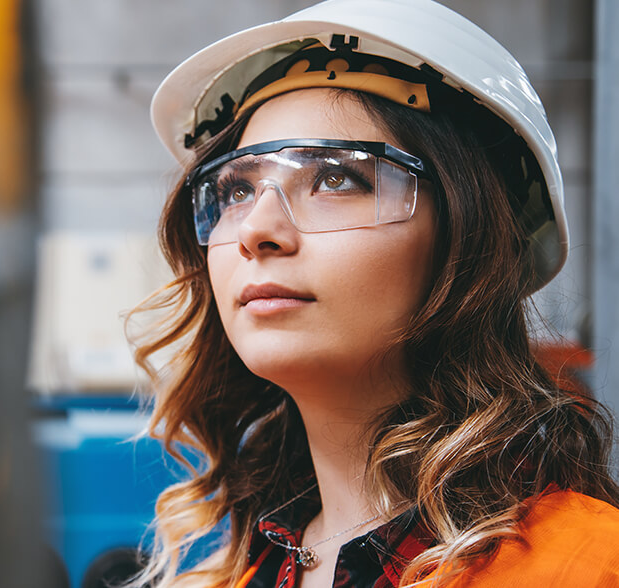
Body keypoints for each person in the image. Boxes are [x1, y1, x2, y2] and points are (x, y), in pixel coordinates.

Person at [128, 0, 619, 586]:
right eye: (236, 190)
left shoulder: (589, 565)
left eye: (336, 177)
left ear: (468, 237)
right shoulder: (223, 577)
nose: (256, 229)